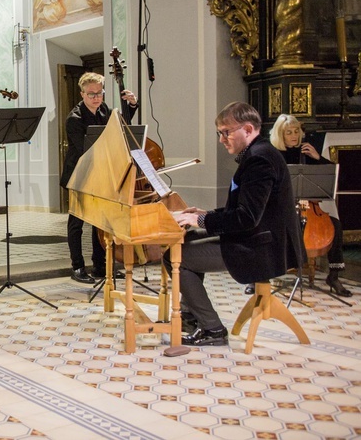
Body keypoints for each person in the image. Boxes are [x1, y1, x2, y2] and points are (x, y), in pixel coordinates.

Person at [168, 102, 303, 346]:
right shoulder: (256, 154)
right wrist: (205, 213)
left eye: (226, 132)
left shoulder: (260, 159)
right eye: (219, 132)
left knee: (178, 256)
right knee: (184, 240)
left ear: (248, 129)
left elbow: (246, 218)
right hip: (256, 236)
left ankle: (212, 329)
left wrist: (199, 219)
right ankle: (192, 315)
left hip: (262, 247)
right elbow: (243, 210)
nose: (222, 139)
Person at [60, 72, 137, 283]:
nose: (96, 98)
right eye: (91, 94)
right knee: (77, 222)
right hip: (80, 174)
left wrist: (130, 106)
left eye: (99, 93)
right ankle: (77, 267)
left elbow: (122, 129)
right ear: (82, 93)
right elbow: (85, 150)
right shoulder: (74, 119)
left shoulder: (105, 110)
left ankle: (100, 266)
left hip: (101, 174)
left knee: (101, 223)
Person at [269, 113, 352, 297]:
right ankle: (259, 279)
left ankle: (334, 276)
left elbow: (339, 179)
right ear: (280, 135)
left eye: (296, 131)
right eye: (288, 132)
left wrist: (317, 158)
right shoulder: (273, 156)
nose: (293, 136)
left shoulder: (307, 152)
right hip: (283, 210)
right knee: (264, 227)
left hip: (310, 209)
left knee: (335, 225)